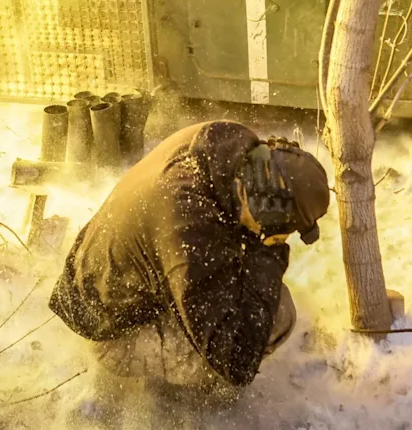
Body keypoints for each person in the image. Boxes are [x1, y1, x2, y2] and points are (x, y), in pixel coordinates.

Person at [49, 120, 330, 402]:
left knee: (248, 289)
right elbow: (236, 360)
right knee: (276, 315)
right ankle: (195, 401)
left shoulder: (231, 149)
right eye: (281, 231)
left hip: (112, 283)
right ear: (267, 213)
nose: (281, 237)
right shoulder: (188, 230)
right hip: (113, 334)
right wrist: (269, 251)